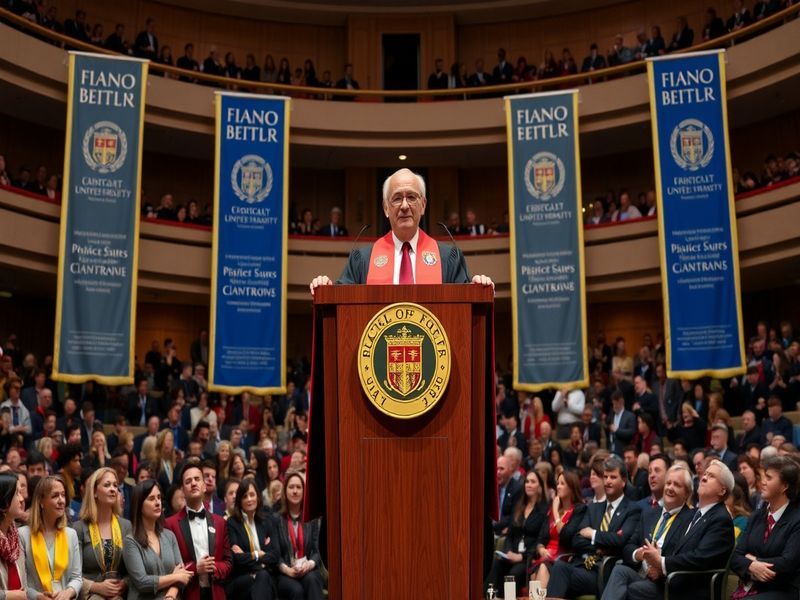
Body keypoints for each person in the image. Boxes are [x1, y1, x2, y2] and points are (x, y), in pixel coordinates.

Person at [308, 169, 494, 291]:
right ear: (386, 208)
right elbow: (340, 307)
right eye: (397, 198)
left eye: (411, 197)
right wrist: (325, 287)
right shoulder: (363, 259)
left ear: (423, 205)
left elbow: (467, 309)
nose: (404, 205)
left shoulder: (448, 257)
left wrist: (478, 287)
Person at [546, 456, 641, 599]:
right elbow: (576, 540)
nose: (608, 481)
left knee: (560, 570)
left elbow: (620, 541)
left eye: (613, 477)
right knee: (558, 567)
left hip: (602, 570)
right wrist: (602, 546)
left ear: (623, 482)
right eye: (605, 477)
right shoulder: (593, 508)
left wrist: (593, 534)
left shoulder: (632, 509)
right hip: (581, 565)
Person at [601, 465, 695, 600]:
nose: (670, 488)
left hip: (665, 582)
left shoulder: (690, 519)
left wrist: (660, 566)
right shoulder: (649, 513)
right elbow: (628, 546)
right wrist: (638, 554)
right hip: (641, 573)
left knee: (631, 589)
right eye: (668, 483)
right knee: (619, 571)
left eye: (676, 485)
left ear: (686, 493)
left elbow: (685, 557)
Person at [731, 456, 800, 600]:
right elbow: (735, 556)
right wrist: (751, 566)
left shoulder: (796, 519)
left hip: (784, 590)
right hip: (752, 588)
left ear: (784, 486)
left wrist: (753, 561)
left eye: (768, 478)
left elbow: (787, 563)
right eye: (763, 476)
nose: (762, 482)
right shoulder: (757, 515)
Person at [164, 459, 232, 600]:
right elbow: (169, 568)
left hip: (216, 593)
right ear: (182, 490)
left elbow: (228, 562)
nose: (193, 483)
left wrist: (213, 567)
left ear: (204, 486)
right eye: (188, 481)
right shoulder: (170, 524)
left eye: (197, 479)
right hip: (188, 593)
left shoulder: (220, 522)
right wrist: (195, 568)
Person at [122, 480, 192, 600]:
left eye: (159, 497)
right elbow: (142, 583)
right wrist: (175, 577)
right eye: (151, 498)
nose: (157, 502)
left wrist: (170, 595)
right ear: (139, 506)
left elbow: (183, 574)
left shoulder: (169, 536)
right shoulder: (130, 541)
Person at [72, 468, 132, 600]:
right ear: (94, 492)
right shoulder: (79, 528)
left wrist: (123, 584)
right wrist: (96, 587)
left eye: (115, 485)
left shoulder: (126, 526)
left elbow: (133, 569)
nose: (113, 489)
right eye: (107, 485)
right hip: (92, 596)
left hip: (119, 595)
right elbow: (73, 575)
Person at [19, 476, 82, 599]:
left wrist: (68, 592)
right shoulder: (22, 535)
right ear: (41, 502)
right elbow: (22, 582)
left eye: (63, 495)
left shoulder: (71, 534)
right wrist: (38, 596)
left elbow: (77, 578)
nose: (61, 500)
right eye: (55, 496)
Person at [486, 470, 548, 591]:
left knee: (512, 575)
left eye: (533, 482)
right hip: (511, 555)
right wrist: (508, 551)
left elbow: (541, 539)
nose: (528, 484)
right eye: (527, 481)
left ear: (540, 486)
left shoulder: (544, 510)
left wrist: (521, 557)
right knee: (495, 565)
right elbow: (510, 535)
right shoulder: (519, 506)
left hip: (528, 558)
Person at [530, 471, 586, 588]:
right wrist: (541, 550)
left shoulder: (579, 510)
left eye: (562, 484)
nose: (558, 486)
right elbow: (541, 538)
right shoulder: (552, 510)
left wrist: (555, 513)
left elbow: (567, 536)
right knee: (535, 574)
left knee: (543, 568)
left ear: (571, 487)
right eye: (557, 483)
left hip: (563, 558)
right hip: (546, 557)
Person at [225, 479, 278, 600]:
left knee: (263, 577)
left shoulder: (267, 520)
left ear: (258, 497)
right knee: (261, 577)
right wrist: (259, 554)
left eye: (252, 495)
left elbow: (275, 555)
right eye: (244, 496)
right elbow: (236, 559)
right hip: (242, 577)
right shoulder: (232, 523)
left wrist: (250, 556)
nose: (249, 499)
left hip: (265, 575)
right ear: (240, 500)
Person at [274, 473, 324, 600]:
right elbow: (275, 553)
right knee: (296, 590)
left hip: (307, 569)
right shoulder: (276, 519)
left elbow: (317, 549)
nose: (295, 491)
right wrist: (287, 570)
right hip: (285, 573)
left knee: (312, 580)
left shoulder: (312, 518)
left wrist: (310, 564)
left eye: (298, 487)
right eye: (291, 487)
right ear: (285, 491)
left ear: (304, 491)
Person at [0, 472, 27, 598]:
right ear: (4, 504)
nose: (22, 499)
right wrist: (6, 596)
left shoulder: (16, 536)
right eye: (17, 493)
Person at [606, 391, 636, 456]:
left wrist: (617, 430)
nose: (614, 406)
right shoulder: (612, 414)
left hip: (623, 451)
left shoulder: (630, 416)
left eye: (615, 404)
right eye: (613, 404)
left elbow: (631, 432)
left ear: (621, 402)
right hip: (611, 449)